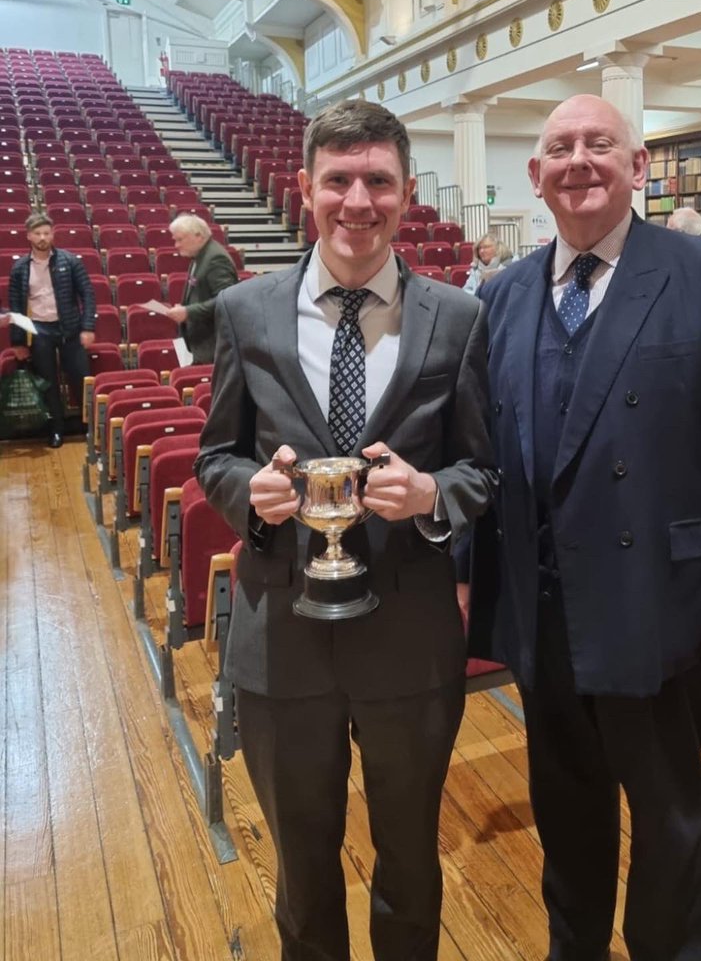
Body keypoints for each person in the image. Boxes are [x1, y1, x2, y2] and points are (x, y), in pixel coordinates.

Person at [466, 94, 701, 961]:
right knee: (565, 815)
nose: (579, 161)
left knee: (670, 823)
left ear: (638, 165)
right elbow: (483, 451)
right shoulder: (500, 297)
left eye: (599, 144)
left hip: (660, 604)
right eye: (559, 148)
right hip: (544, 614)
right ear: (534, 178)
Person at [195, 100, 497, 961]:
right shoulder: (248, 310)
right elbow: (215, 455)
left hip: (409, 633)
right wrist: (249, 492)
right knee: (302, 864)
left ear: (406, 193)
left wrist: (431, 492)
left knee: (410, 857)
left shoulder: (459, 317)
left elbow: (482, 468)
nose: (357, 201)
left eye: (378, 181)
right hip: (281, 633)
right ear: (304, 187)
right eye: (339, 180)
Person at [7, 212, 96, 447]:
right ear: (29, 236)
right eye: (38, 233)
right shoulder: (19, 268)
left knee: (81, 379)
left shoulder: (70, 261)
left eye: (47, 233)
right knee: (48, 383)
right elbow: (15, 306)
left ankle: (91, 428)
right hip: (39, 330)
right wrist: (17, 343)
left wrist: (87, 327)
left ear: (52, 234)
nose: (43, 237)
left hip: (70, 328)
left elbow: (87, 294)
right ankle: (56, 429)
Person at [161, 213, 238, 363]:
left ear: (198, 236)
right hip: (198, 342)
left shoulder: (216, 258)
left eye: (180, 239)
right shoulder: (199, 255)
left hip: (211, 345)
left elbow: (227, 300)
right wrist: (185, 307)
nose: (176, 245)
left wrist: (188, 312)